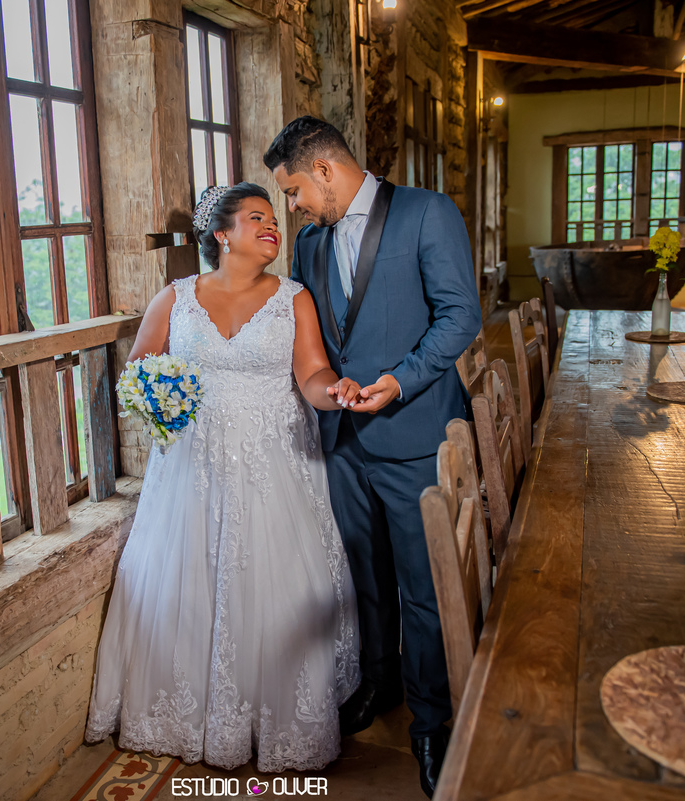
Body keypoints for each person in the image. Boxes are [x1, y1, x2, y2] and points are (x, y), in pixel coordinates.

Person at [85, 183, 362, 772]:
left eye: (273, 218)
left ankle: (271, 715)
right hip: (192, 466)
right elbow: (138, 371)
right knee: (188, 579)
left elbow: (312, 374)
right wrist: (160, 403)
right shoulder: (175, 298)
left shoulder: (293, 299)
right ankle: (183, 714)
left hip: (273, 464)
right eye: (257, 218)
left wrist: (335, 393)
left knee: (271, 582)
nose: (272, 227)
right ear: (222, 235)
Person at [264, 116, 481, 797]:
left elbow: (460, 315)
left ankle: (432, 722)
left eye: (294, 191)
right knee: (365, 577)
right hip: (342, 442)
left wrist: (399, 380)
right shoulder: (309, 244)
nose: (292, 207)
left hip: (415, 434)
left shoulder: (427, 212)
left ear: (325, 170)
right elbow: (313, 340)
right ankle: (379, 682)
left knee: (423, 587)